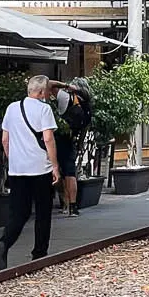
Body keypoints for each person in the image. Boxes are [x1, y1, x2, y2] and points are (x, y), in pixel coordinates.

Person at [0, 74, 59, 270]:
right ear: (41, 92)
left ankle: (4, 242)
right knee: (43, 212)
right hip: (40, 168)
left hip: (17, 170)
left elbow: (5, 139)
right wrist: (55, 165)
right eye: (47, 91)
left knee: (19, 213)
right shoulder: (44, 109)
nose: (48, 95)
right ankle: (39, 253)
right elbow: (48, 139)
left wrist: (13, 159)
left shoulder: (12, 108)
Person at [51, 79, 81, 215]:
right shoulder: (79, 101)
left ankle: (65, 203)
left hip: (58, 138)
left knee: (58, 171)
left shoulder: (63, 96)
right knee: (69, 172)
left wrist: (65, 85)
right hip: (71, 138)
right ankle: (72, 206)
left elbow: (49, 83)